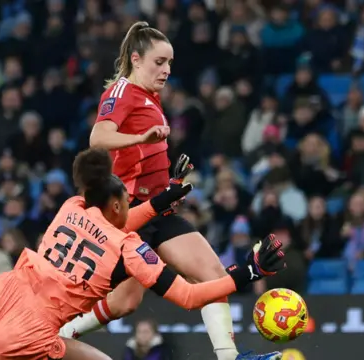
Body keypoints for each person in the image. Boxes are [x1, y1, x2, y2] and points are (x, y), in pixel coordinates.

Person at [0, 149, 286, 360]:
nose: (132, 205)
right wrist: (248, 270)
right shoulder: (129, 251)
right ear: (117, 205)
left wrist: (162, 200)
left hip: (1, 293)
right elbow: (189, 296)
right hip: (30, 331)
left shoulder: (71, 207)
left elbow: (118, 219)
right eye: (129, 200)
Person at [72, 21, 279, 360]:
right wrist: (142, 138)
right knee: (125, 302)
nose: (167, 70)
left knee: (212, 275)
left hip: (158, 209)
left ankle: (229, 357)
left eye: (169, 63)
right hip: (128, 215)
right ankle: (52, 337)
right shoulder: (121, 92)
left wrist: (168, 180)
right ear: (136, 60)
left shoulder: (149, 95)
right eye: (159, 62)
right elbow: (98, 138)